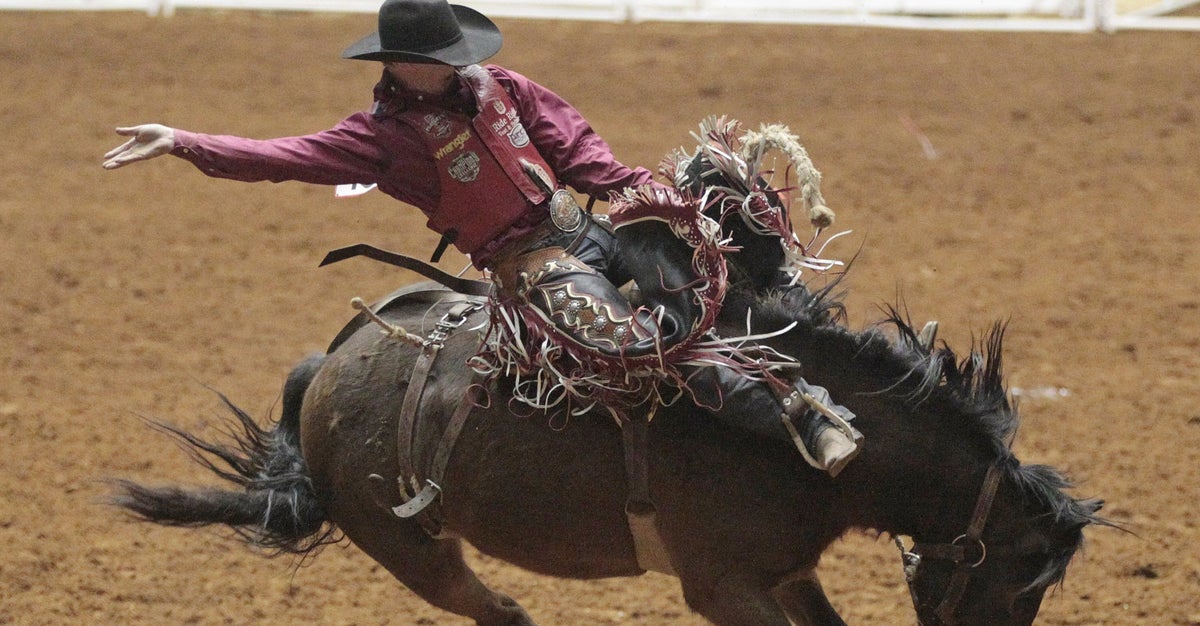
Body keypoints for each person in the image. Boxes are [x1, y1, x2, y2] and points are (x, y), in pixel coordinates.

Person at [102, 0, 860, 476]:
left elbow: (578, 151)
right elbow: (282, 156)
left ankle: (808, 349)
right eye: (442, 58)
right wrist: (184, 140)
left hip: (587, 227)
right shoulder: (381, 139)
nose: (459, 66)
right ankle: (795, 414)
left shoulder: (502, 87)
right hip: (535, 271)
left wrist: (650, 195)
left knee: (711, 256)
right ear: (402, 65)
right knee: (636, 345)